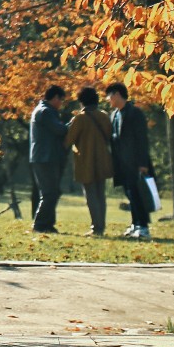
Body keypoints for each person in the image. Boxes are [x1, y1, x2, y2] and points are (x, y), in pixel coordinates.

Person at [106, 81, 156, 241]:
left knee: (138, 194)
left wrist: (142, 164)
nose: (108, 99)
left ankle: (143, 227)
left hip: (135, 163)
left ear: (118, 94)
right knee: (130, 194)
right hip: (121, 164)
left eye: (110, 95)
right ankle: (135, 224)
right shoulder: (114, 115)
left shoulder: (135, 113)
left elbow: (142, 140)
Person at [65, 87, 113, 237]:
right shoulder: (104, 116)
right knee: (100, 194)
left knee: (91, 195)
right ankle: (101, 226)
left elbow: (68, 140)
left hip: (85, 160)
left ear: (81, 102)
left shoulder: (80, 118)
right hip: (103, 159)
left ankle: (96, 227)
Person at [27, 84, 68, 234]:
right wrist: (72, 124)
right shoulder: (45, 112)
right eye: (61, 100)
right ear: (55, 98)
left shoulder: (44, 110)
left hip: (44, 156)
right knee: (50, 193)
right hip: (45, 157)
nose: (61, 104)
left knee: (52, 192)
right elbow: (59, 129)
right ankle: (40, 224)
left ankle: (48, 224)